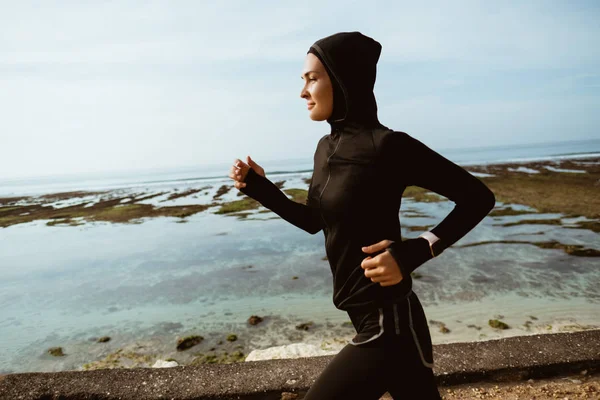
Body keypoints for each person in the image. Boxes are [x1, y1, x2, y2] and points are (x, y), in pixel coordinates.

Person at [228, 31, 495, 399]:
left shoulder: (387, 145)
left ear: (342, 79)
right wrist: (261, 189)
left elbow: (477, 198)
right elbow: (314, 221)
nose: (302, 92)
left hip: (388, 323)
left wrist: (416, 250)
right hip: (377, 318)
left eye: (312, 78)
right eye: (302, 80)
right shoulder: (325, 149)